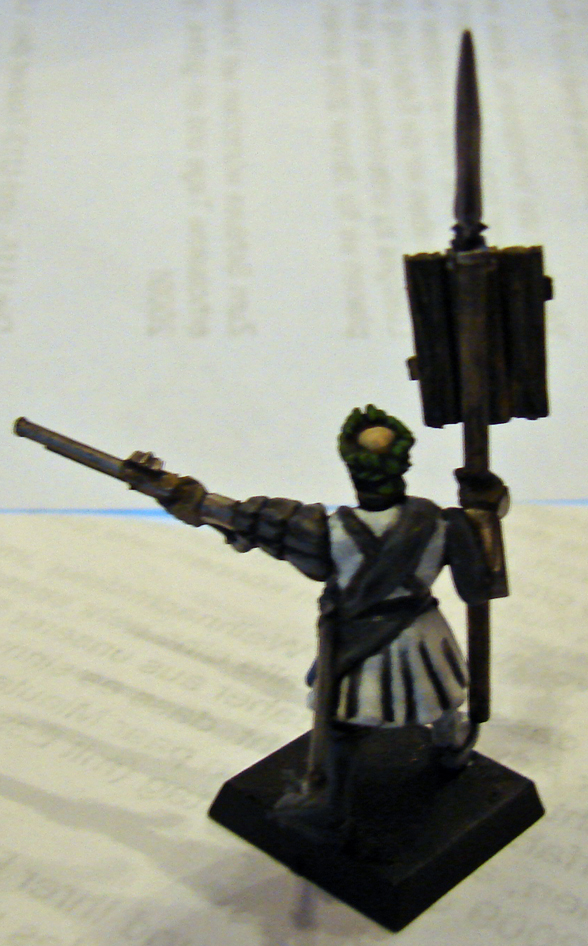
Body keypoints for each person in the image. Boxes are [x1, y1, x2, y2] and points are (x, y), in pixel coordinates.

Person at [146, 404, 508, 829]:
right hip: (420, 635)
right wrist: (485, 512)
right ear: (402, 468)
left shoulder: (325, 530)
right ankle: (451, 744)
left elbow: (247, 521)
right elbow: (479, 584)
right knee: (439, 696)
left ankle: (337, 791)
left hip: (358, 639)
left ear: (353, 470)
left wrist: (194, 501)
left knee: (343, 720)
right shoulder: (444, 524)